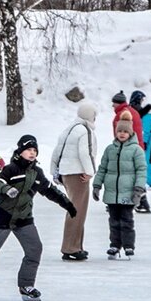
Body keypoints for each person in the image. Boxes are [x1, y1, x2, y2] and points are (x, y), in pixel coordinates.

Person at [0, 135, 77, 301]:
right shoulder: (11, 169)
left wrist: (68, 205)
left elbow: (50, 191)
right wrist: (6, 189)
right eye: (28, 150)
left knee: (35, 249)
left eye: (34, 150)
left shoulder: (36, 173)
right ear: (20, 151)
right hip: (3, 217)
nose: (32, 153)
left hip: (23, 218)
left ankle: (26, 286)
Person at [92, 113, 147, 260]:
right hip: (112, 193)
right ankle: (114, 245)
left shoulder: (136, 150)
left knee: (126, 221)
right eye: (119, 131)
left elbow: (141, 170)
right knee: (113, 221)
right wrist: (97, 185)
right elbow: (102, 168)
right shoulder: (110, 149)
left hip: (128, 193)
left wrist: (138, 190)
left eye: (125, 131)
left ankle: (128, 245)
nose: (122, 134)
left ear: (130, 133)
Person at [50, 102, 97, 260]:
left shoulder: (69, 129)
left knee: (75, 209)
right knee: (77, 211)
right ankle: (71, 247)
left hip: (66, 173)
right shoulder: (85, 130)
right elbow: (86, 153)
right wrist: (90, 171)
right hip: (78, 174)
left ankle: (76, 245)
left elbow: (57, 151)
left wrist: (55, 171)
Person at [131, 90, 151, 212]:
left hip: (144, 142)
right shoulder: (144, 113)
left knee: (144, 164)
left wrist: (145, 141)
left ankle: (149, 183)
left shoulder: (145, 115)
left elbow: (145, 130)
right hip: (146, 141)